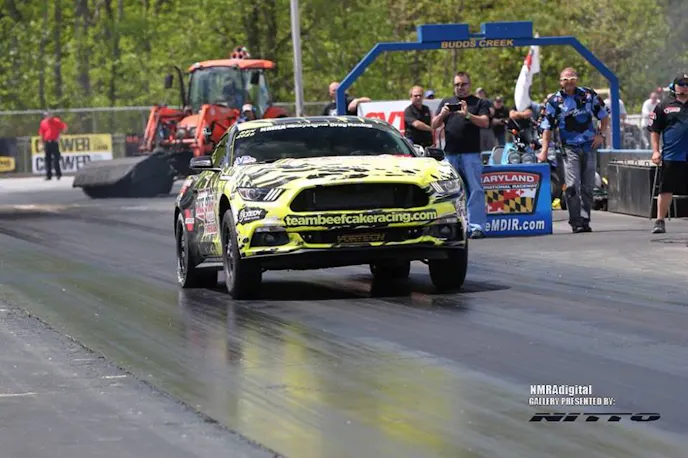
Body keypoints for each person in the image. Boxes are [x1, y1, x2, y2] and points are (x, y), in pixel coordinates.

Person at [538, 67, 609, 233]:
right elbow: (546, 127)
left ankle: (585, 220)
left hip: (589, 146)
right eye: (565, 79)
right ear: (560, 82)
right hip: (569, 148)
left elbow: (604, 115)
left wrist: (601, 135)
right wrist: (544, 150)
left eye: (572, 79)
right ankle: (575, 221)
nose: (569, 82)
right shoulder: (554, 101)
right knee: (571, 185)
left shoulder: (588, 95)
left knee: (588, 186)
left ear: (576, 80)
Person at [431, 71, 491, 239]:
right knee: (450, 192)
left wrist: (467, 115)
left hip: (471, 154)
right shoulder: (447, 102)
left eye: (463, 84)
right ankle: (452, 226)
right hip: (451, 154)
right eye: (457, 84)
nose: (460, 87)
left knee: (475, 190)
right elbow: (434, 125)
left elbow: (485, 122)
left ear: (469, 85)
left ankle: (476, 227)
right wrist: (443, 114)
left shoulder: (479, 102)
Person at [647, 72, 688, 234]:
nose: (685, 87)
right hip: (672, 154)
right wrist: (655, 151)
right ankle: (660, 221)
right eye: (682, 84)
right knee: (666, 188)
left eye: (687, 84)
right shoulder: (664, 105)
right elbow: (655, 130)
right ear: (675, 86)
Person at [38, 111, 67, 180]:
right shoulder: (43, 122)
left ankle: (58, 174)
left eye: (48, 115)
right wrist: (41, 142)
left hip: (54, 142)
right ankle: (49, 176)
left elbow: (64, 128)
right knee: (47, 159)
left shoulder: (56, 121)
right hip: (47, 142)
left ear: (51, 115)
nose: (47, 116)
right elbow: (42, 133)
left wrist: (59, 136)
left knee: (56, 159)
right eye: (46, 115)